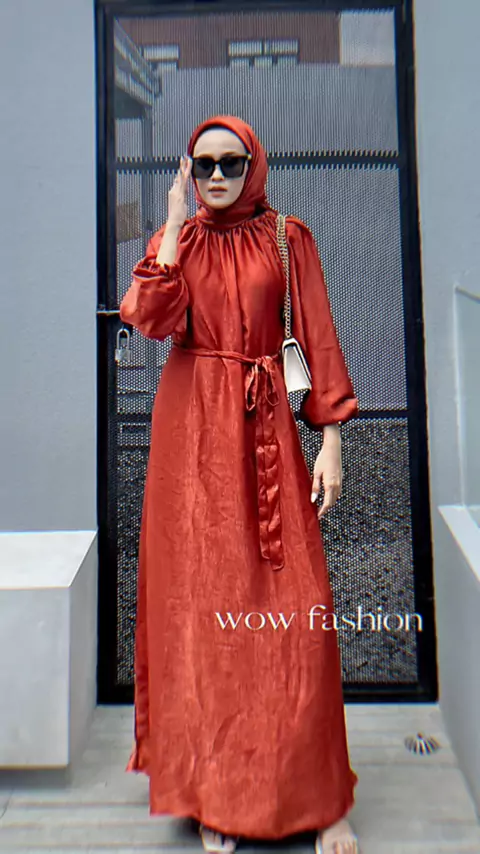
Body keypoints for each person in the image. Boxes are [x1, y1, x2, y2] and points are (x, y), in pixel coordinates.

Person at [119, 115, 360, 854]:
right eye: (204, 164)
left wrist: (331, 437)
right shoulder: (181, 242)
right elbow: (148, 317)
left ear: (255, 164)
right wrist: (170, 223)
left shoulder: (287, 237)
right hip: (191, 443)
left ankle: (319, 796)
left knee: (297, 613)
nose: (218, 175)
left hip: (266, 431)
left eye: (232, 162)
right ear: (189, 171)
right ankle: (217, 795)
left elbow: (316, 335)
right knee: (205, 614)